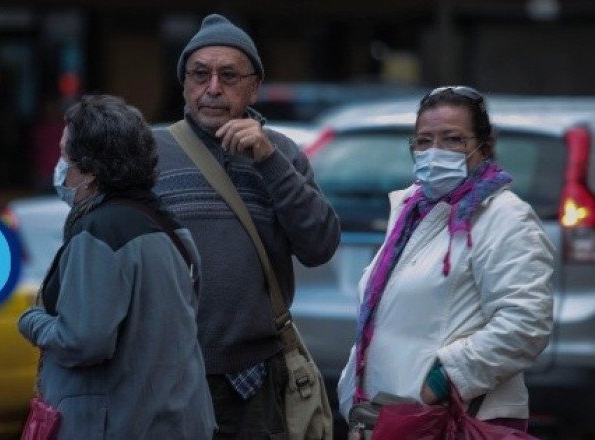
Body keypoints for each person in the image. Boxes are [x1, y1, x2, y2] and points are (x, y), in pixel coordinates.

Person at [152, 14, 341, 438]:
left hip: (255, 381)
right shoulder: (151, 152)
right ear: (184, 83)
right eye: (200, 75)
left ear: (254, 86)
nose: (213, 88)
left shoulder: (282, 154)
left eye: (229, 76)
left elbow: (320, 245)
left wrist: (269, 161)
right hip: (166, 376)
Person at [337, 86, 554, 435]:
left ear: (484, 147)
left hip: (450, 420)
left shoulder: (505, 217)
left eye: (452, 139)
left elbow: (525, 324)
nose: (434, 152)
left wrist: (442, 381)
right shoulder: (413, 210)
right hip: (391, 417)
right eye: (423, 141)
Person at [18, 94, 216, 439]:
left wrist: (32, 321)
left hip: (117, 424)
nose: (60, 165)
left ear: (91, 168)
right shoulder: (170, 227)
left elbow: (84, 340)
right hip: (175, 422)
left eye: (66, 155)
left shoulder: (98, 232)